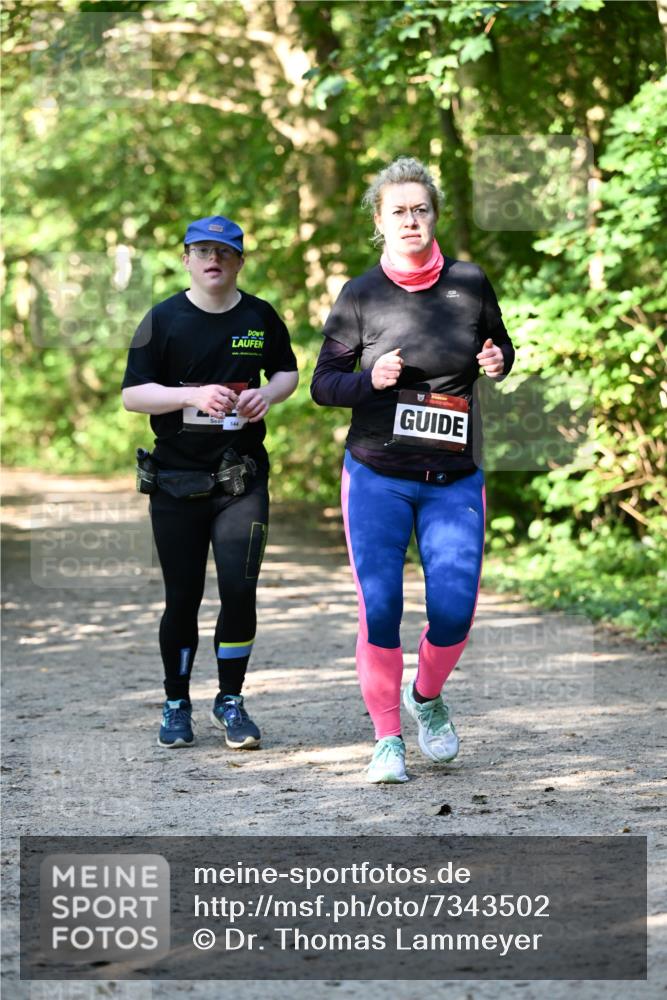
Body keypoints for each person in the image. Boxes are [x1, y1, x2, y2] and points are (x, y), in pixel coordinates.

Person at [311, 157, 514, 783]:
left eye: (420, 209)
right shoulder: (361, 295)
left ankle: (425, 698)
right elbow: (323, 384)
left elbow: (502, 345)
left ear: (434, 217)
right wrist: (370, 380)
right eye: (397, 211)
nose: (410, 220)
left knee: (454, 611)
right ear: (380, 220)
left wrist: (498, 359)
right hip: (376, 475)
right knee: (381, 608)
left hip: (453, 479)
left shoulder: (470, 283)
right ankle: (387, 740)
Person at [122, 215, 298, 750]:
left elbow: (287, 372)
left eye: (223, 252)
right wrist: (190, 396)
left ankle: (231, 701)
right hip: (176, 482)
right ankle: (177, 705)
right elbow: (133, 396)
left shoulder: (260, 316)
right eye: (202, 251)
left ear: (239, 261)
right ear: (186, 259)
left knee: (240, 593)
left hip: (240, 480)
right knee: (183, 598)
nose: (212, 260)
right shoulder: (162, 319)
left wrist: (267, 396)